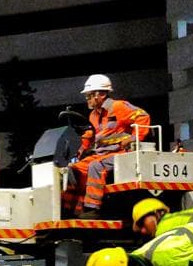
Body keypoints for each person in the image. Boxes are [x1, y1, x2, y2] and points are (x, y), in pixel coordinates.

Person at [63, 74, 151, 218]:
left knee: (95, 167)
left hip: (120, 153)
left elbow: (143, 117)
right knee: (73, 170)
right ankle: (72, 209)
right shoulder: (93, 115)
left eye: (89, 96)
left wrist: (134, 138)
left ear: (100, 94)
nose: (88, 99)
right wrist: (80, 150)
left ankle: (92, 209)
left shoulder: (118, 106)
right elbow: (90, 135)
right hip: (102, 154)